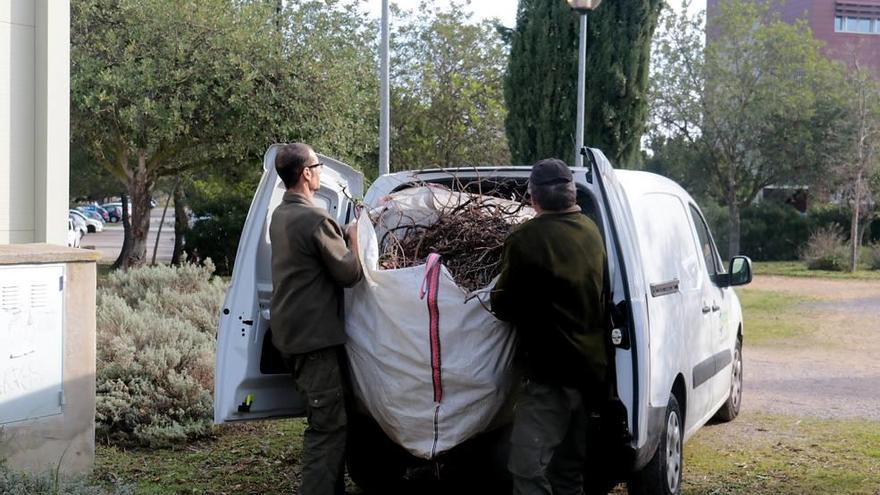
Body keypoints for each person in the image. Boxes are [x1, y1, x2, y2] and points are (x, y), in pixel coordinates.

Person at [491, 158, 607, 495]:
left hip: (549, 378)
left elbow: (502, 304)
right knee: (569, 470)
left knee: (527, 469)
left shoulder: (527, 238)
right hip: (589, 374)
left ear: (533, 198)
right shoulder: (591, 230)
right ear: (572, 194)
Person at [269, 143, 363, 495]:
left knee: (328, 419)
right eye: (317, 165)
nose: (320, 171)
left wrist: (336, 231)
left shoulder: (282, 214)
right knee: (327, 427)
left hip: (291, 335)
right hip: (315, 341)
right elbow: (349, 273)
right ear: (306, 173)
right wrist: (353, 239)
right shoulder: (314, 219)